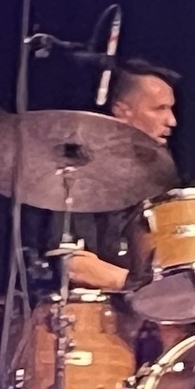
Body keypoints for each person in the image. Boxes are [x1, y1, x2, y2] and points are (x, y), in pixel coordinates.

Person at [57, 57, 179, 293]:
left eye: (171, 108)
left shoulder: (159, 177)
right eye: (159, 109)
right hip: (91, 317)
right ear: (122, 112)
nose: (172, 120)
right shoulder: (79, 173)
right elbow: (71, 262)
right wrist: (144, 288)